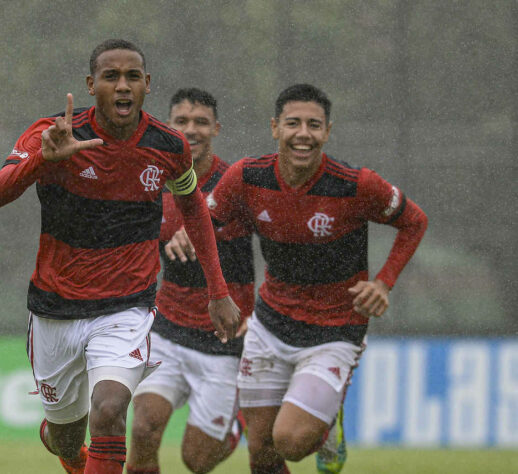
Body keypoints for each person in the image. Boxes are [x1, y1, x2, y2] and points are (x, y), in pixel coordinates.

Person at [0, 39, 240, 474]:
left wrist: (218, 290)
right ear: (90, 85)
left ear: (147, 85)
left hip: (126, 306)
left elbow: (194, 206)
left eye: (132, 77)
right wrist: (42, 160)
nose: (123, 86)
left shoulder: (167, 145)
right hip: (55, 308)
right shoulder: (53, 132)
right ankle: (67, 447)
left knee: (110, 411)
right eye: (111, 77)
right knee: (65, 436)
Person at [166, 83, 428, 473]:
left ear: (327, 131)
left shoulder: (355, 185)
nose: (303, 134)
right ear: (275, 128)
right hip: (271, 325)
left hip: (335, 331)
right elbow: (206, 217)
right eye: (293, 123)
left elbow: (414, 221)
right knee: (262, 451)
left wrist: (383, 282)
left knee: (288, 440)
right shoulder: (248, 177)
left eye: (313, 125)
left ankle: (325, 430)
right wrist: (190, 231)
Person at [127, 88, 255, 474]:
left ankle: (236, 423)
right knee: (144, 429)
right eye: (181, 121)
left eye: (201, 122)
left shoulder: (235, 184)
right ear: (169, 127)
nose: (191, 130)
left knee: (196, 460)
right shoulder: (153, 184)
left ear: (216, 128)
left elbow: (282, 240)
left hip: (224, 342)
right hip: (168, 330)